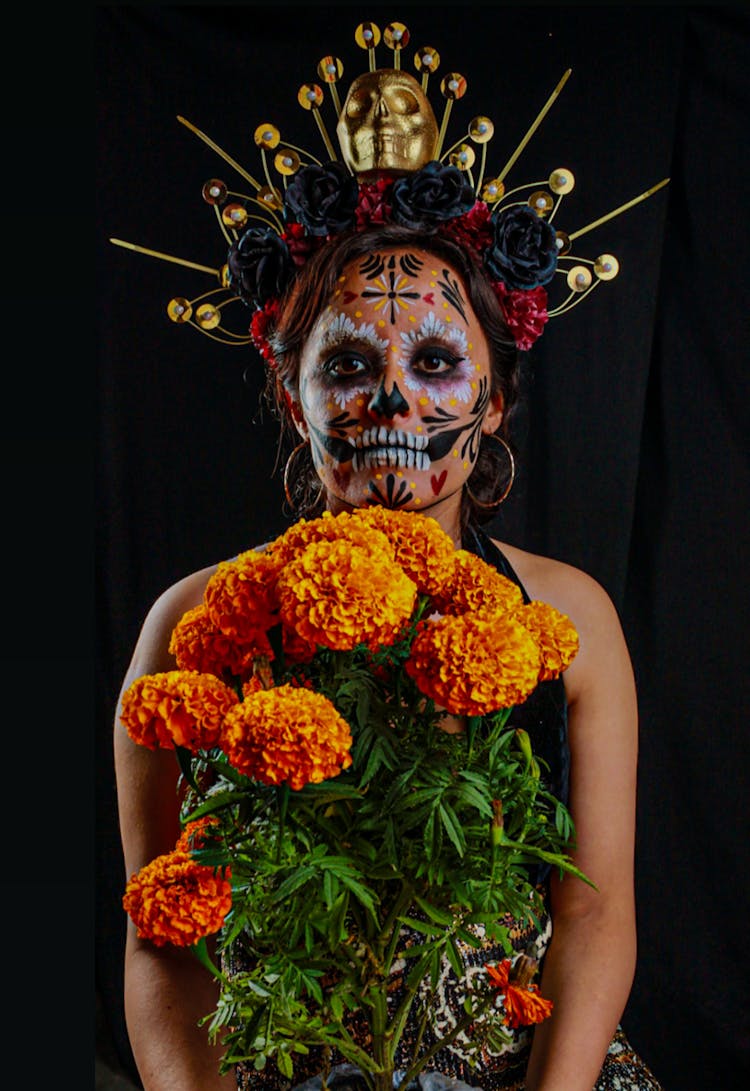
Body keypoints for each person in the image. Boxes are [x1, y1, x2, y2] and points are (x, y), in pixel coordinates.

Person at [113, 20, 665, 1091]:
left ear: (495, 401)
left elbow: (596, 908)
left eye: (439, 360)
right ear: (294, 394)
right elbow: (160, 939)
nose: (394, 400)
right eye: (351, 363)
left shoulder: (573, 617)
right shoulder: (190, 626)